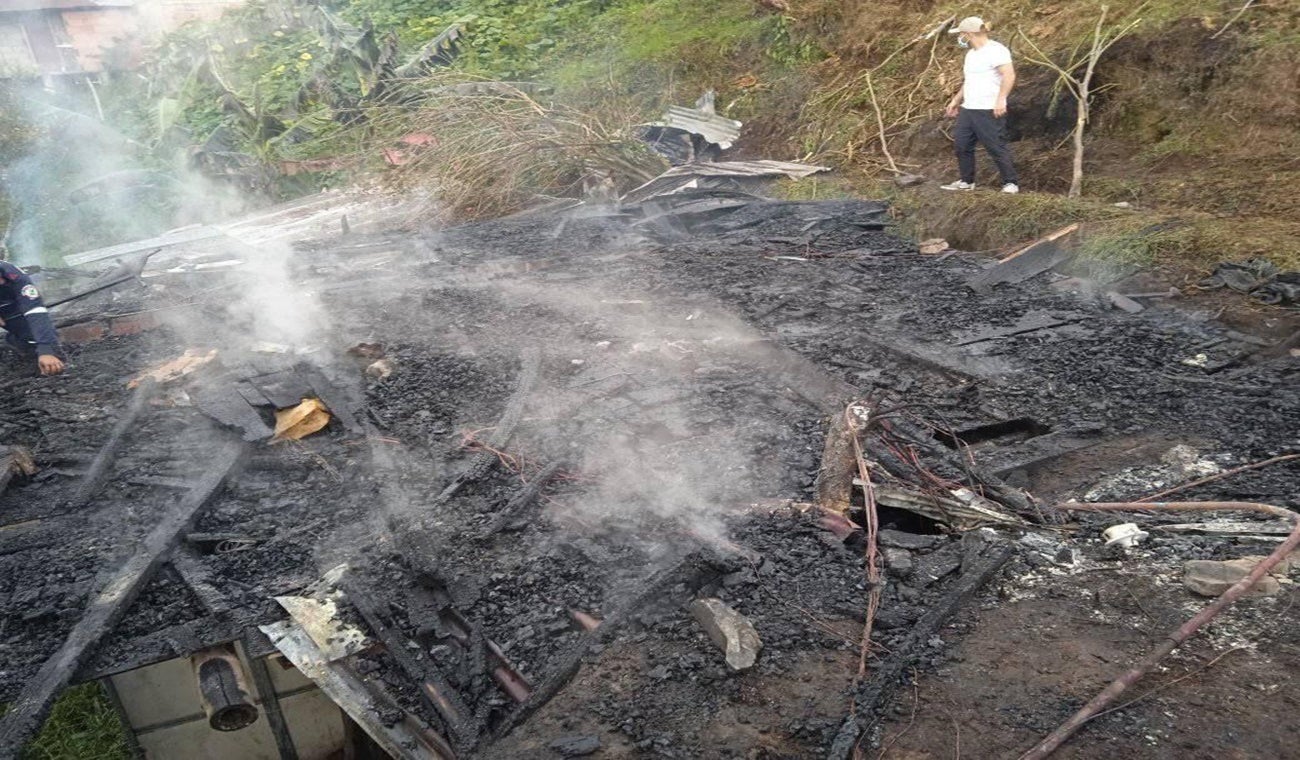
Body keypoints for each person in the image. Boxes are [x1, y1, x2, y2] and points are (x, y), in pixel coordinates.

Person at [940, 16, 1020, 194]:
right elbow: (969, 81)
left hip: (988, 108)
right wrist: (956, 100)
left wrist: (1001, 99)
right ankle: (966, 181)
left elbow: (1009, 75)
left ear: (968, 34)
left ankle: (1010, 183)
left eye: (961, 34)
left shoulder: (996, 51)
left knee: (995, 146)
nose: (959, 38)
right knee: (962, 145)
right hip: (969, 108)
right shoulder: (971, 54)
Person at [1, 260, 65, 376]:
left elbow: (35, 311)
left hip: (10, 303)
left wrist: (46, 350)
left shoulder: (15, 275)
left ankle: (21, 347)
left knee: (28, 333)